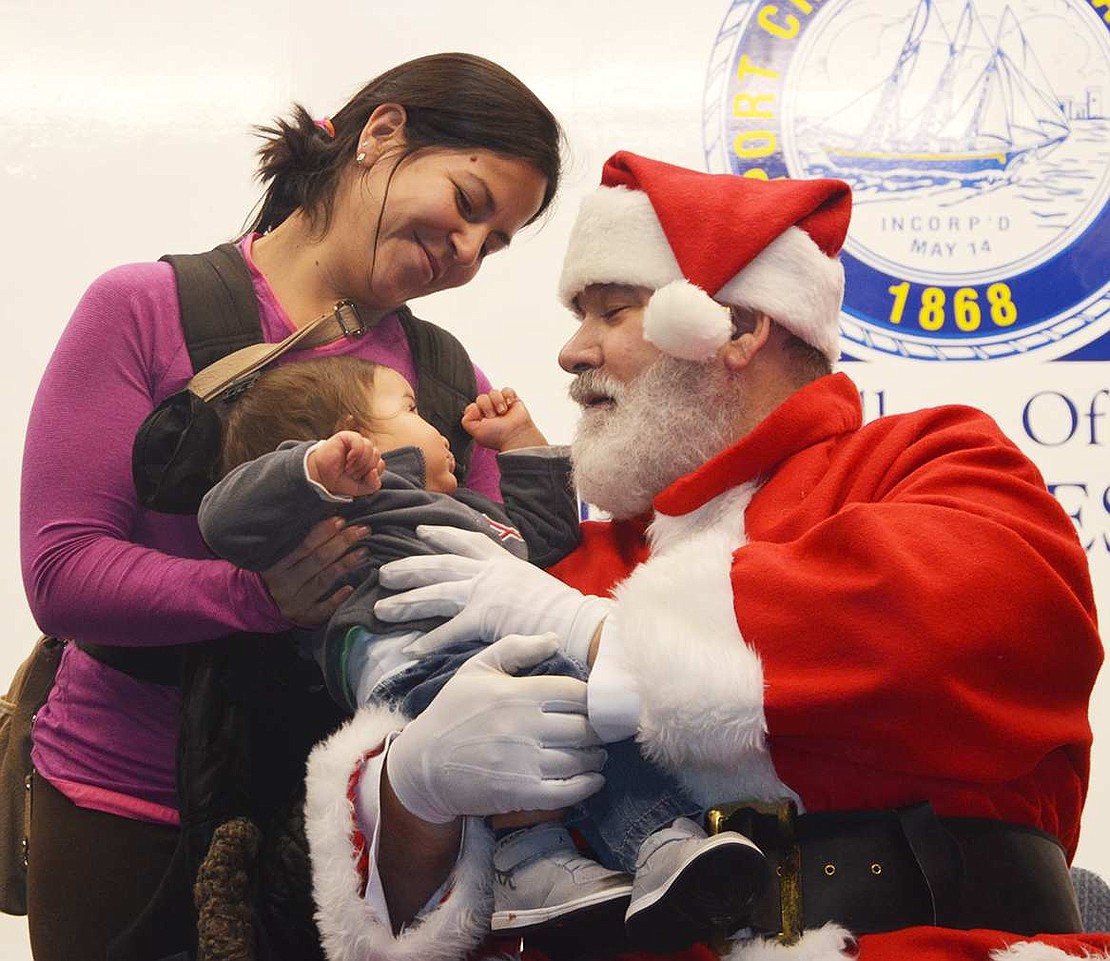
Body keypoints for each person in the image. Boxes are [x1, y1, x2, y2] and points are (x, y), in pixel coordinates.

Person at [303, 151, 1110, 961]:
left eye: (612, 312)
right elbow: (414, 919)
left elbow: (962, 619)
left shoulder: (932, 459)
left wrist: (605, 639)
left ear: (740, 327)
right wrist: (418, 790)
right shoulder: (564, 567)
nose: (572, 354)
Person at [19, 52, 564, 961]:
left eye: (496, 240)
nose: (468, 251)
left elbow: (507, 580)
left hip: (348, 838)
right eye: (469, 203)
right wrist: (255, 597)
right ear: (381, 135)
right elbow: (62, 572)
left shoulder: (446, 378)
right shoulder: (150, 308)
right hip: (129, 804)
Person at [199, 355, 769, 949]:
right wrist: (312, 469)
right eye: (411, 408)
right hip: (414, 664)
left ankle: (649, 848)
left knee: (586, 712)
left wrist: (520, 443)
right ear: (353, 433)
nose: (439, 425)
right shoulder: (347, 500)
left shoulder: (465, 509)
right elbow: (225, 519)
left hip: (499, 652)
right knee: (525, 736)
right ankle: (540, 864)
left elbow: (544, 537)